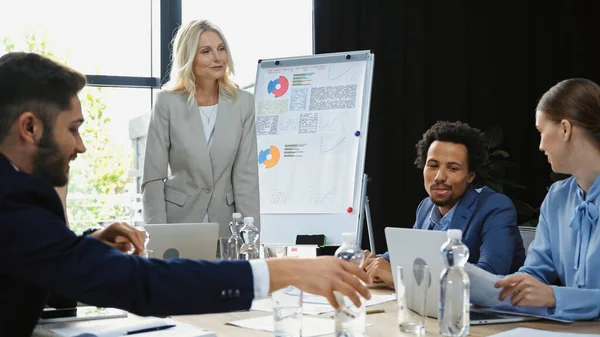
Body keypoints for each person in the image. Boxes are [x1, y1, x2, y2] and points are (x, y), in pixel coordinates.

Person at [0, 52, 372, 336]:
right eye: (74, 128)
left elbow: (29, 266)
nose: (79, 146)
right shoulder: (14, 202)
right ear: (30, 128)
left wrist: (82, 250)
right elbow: (142, 284)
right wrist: (284, 271)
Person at [363, 121, 526, 286]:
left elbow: (490, 276)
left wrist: (402, 277)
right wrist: (375, 262)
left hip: (486, 310)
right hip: (433, 308)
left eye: (453, 168)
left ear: (470, 175)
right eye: (433, 166)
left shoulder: (495, 207)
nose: (439, 176)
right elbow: (407, 255)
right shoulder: (425, 206)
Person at [142, 20, 259, 238]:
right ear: (189, 58)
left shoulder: (243, 103)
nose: (218, 57)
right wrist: (156, 239)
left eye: (221, 48)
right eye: (206, 51)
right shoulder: (166, 102)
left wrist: (250, 238)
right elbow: (153, 178)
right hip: (178, 224)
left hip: (227, 227)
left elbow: (246, 177)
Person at [495, 78, 600, 321]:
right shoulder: (557, 197)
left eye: (541, 131)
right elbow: (535, 272)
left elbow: (550, 294)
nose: (541, 146)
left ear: (565, 129)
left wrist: (555, 297)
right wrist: (499, 291)